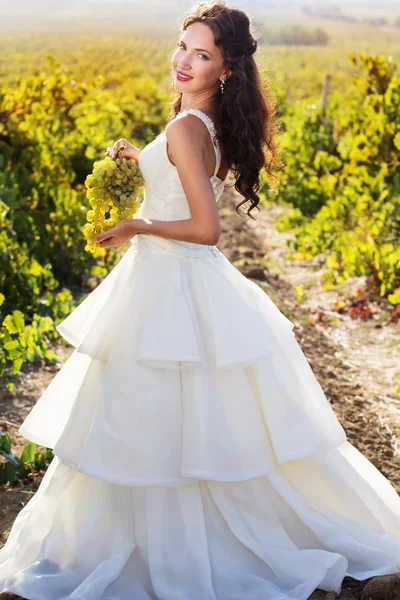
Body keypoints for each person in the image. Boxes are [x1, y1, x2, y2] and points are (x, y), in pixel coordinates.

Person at [1, 1, 400, 599]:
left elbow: (205, 227)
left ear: (226, 70)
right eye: (184, 46)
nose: (185, 61)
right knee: (188, 425)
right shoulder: (199, 120)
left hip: (172, 278)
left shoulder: (189, 126)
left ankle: (159, 547)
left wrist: (137, 226)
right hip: (179, 281)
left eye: (202, 54)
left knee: (147, 421)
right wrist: (144, 160)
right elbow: (182, 181)